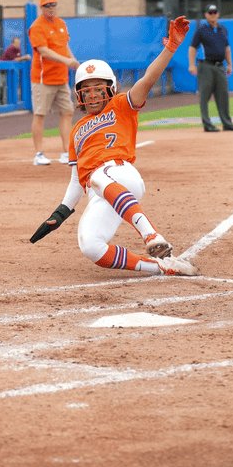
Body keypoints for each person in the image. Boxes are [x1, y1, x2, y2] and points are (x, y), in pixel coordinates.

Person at [29, 16, 199, 278]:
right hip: (100, 191)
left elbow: (147, 80)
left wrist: (170, 48)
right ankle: (163, 266)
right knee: (90, 246)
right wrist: (60, 213)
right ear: (79, 96)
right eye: (87, 91)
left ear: (110, 89)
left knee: (97, 174)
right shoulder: (76, 132)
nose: (93, 95)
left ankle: (151, 234)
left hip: (121, 175)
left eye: (98, 89)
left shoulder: (121, 105)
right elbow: (77, 179)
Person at [28, 0, 79, 166]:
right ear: (41, 8)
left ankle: (66, 151)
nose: (50, 8)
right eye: (47, 5)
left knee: (67, 111)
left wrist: (73, 61)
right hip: (43, 78)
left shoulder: (61, 24)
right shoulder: (37, 26)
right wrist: (67, 61)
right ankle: (39, 153)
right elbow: (43, 51)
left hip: (61, 77)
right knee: (40, 114)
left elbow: (65, 46)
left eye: (53, 5)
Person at [188, 4, 233, 132]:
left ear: (218, 14)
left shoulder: (223, 29)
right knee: (204, 95)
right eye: (210, 12)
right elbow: (192, 48)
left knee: (223, 95)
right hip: (206, 66)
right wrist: (191, 64)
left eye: (214, 12)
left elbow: (227, 48)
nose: (213, 14)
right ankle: (207, 124)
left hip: (220, 66)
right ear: (206, 14)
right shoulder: (202, 30)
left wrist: (230, 64)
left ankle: (227, 123)